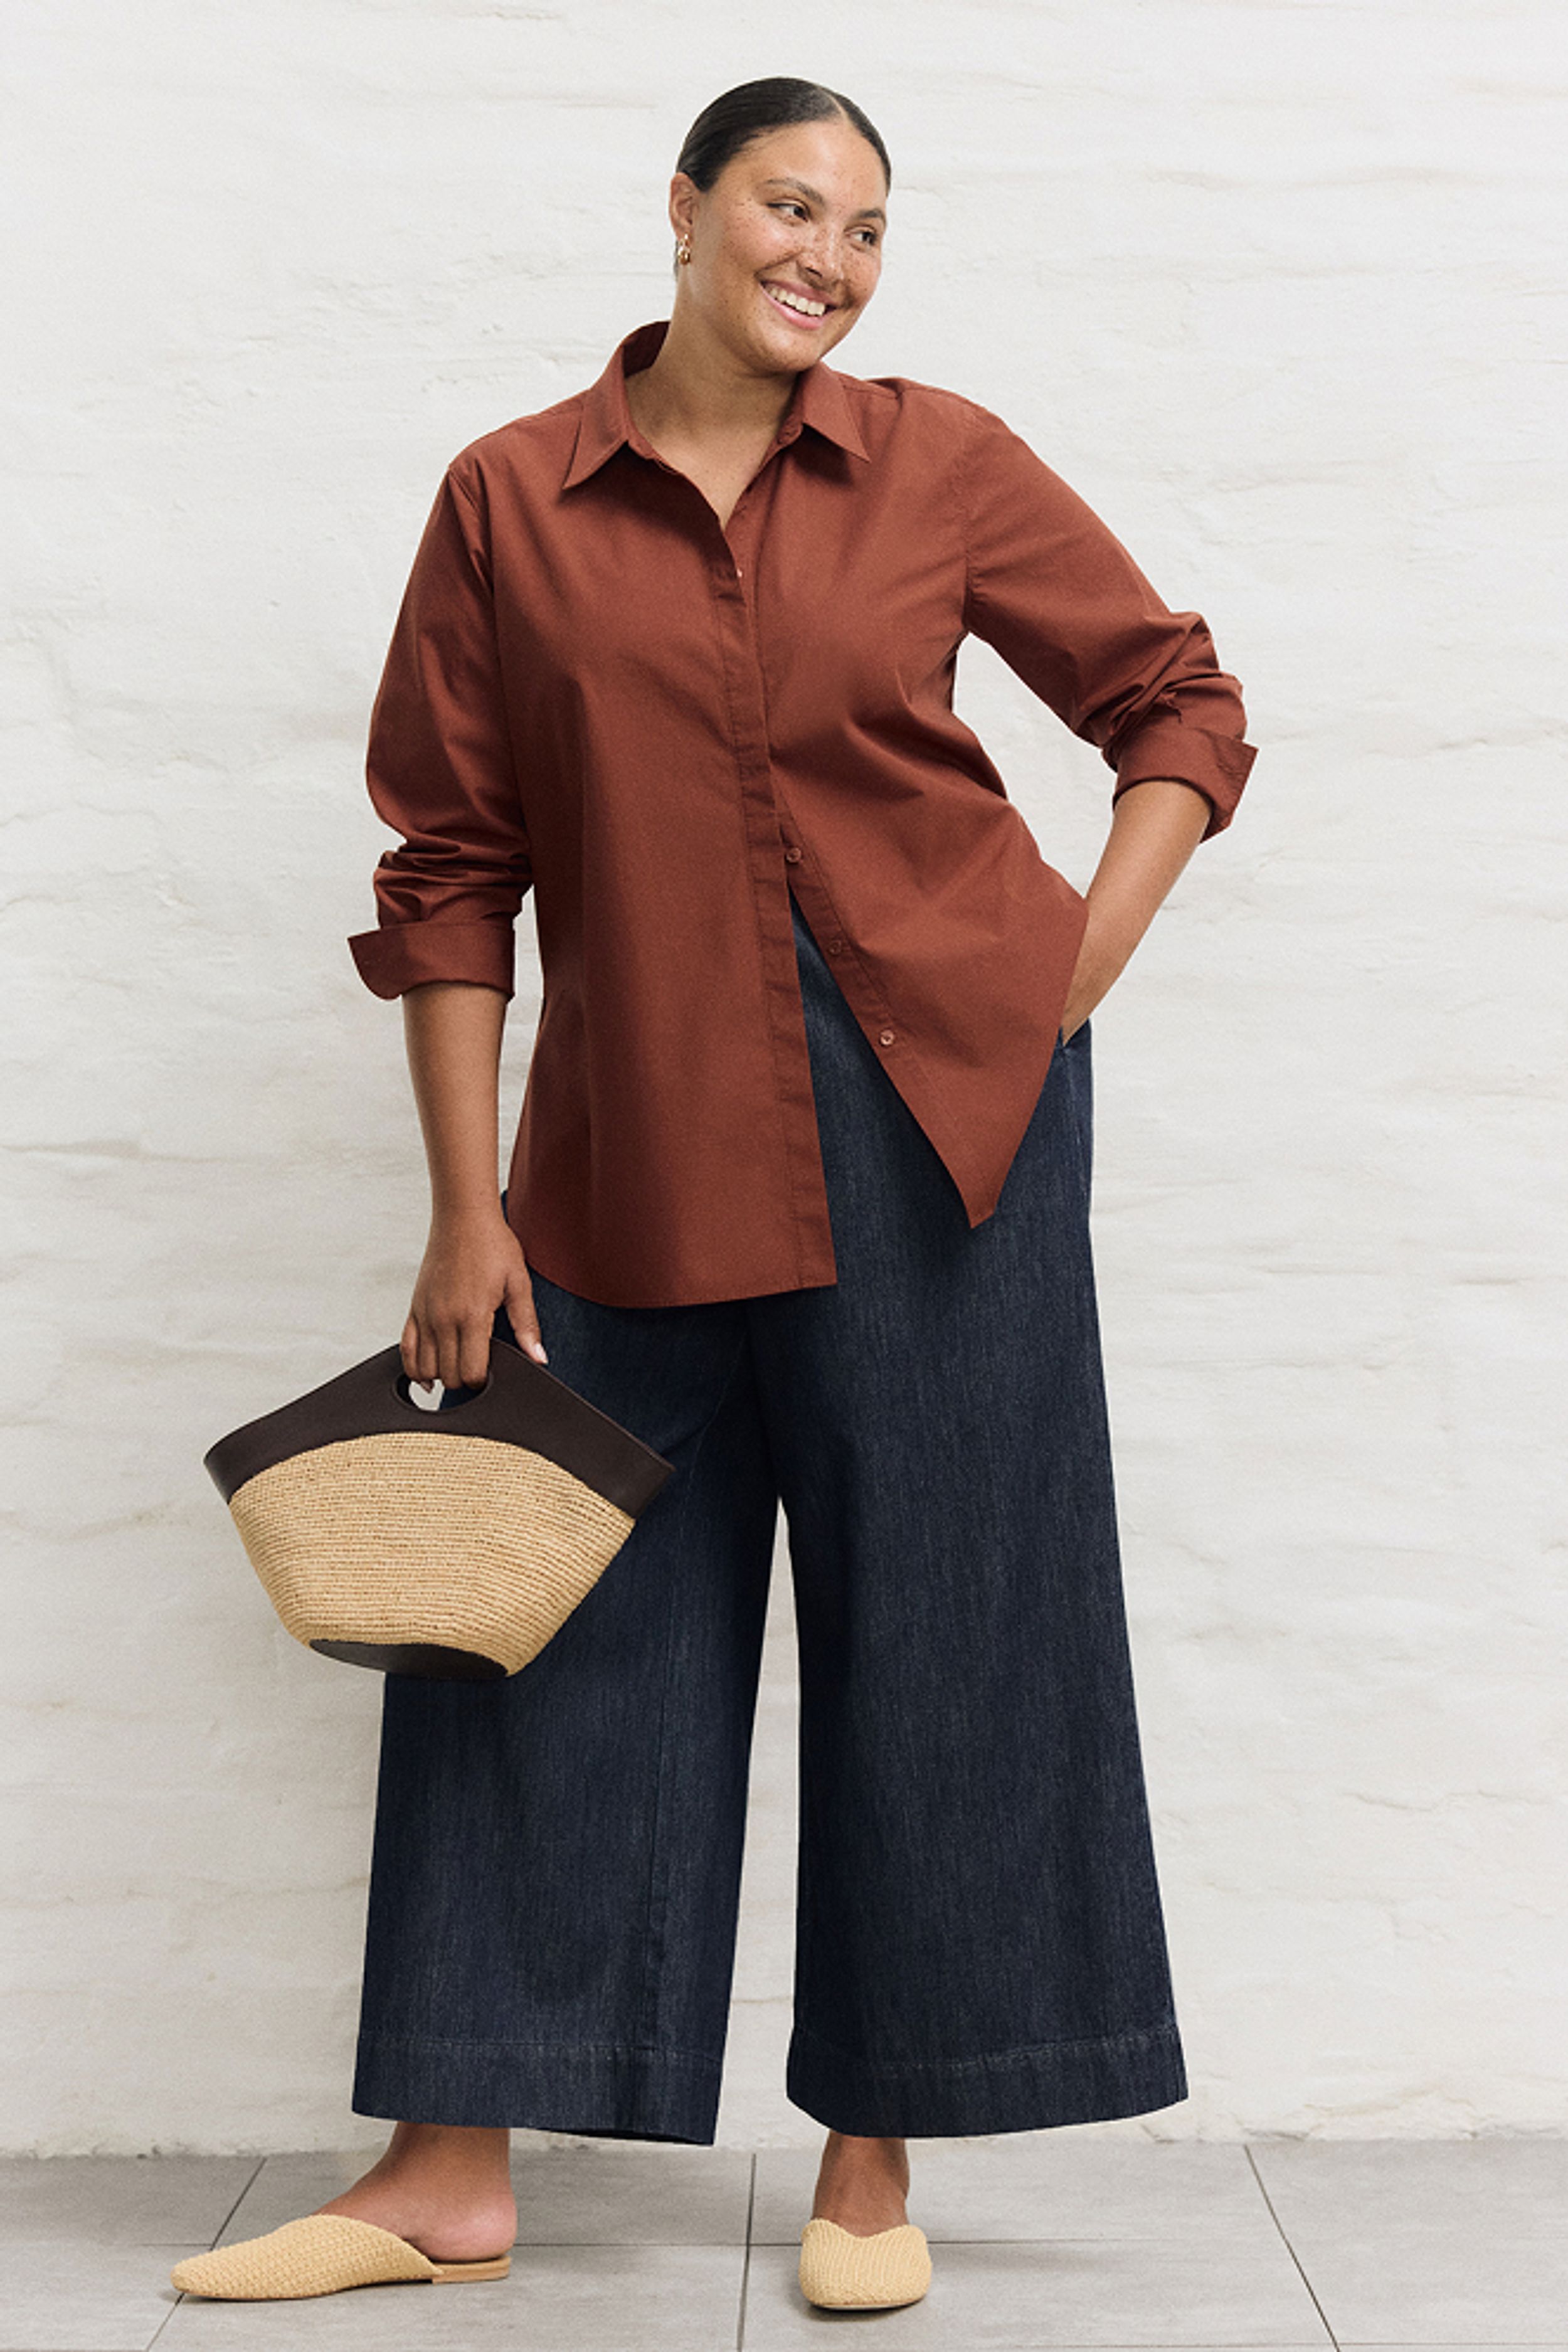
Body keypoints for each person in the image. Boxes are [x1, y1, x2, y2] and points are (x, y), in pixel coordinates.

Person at [172, 73, 1256, 2316]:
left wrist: (1072, 964)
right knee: (535, 1612)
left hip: (938, 1132)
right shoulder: (509, 499)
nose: (826, 259)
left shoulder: (940, 462)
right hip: (630, 1136)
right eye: (789, 206)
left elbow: (1175, 702)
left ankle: (869, 2162)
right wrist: (465, 1209)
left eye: (865, 229)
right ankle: (447, 2169)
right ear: (682, 210)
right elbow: (450, 865)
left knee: (938, 1617)